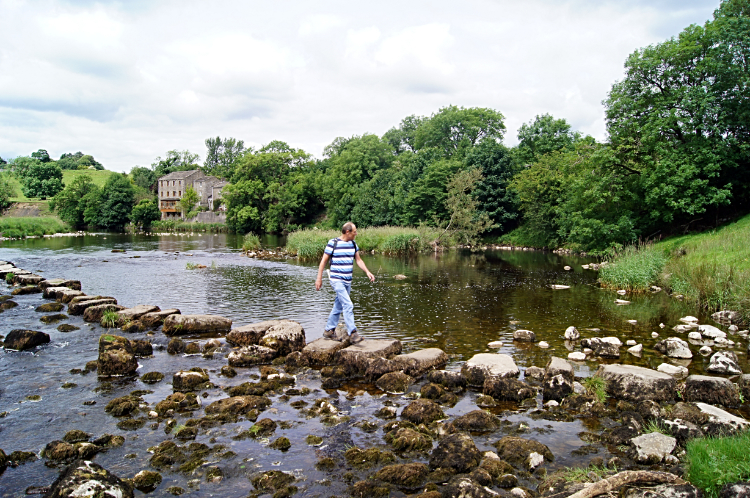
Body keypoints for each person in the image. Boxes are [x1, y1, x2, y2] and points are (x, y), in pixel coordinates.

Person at [315, 222, 375, 344]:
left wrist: (367, 272)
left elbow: (358, 260)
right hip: (336, 280)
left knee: (339, 305)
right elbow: (323, 262)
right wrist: (319, 278)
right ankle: (353, 333)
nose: (356, 234)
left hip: (348, 280)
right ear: (347, 232)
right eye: (354, 232)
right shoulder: (333, 243)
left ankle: (329, 330)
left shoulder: (353, 244)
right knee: (348, 305)